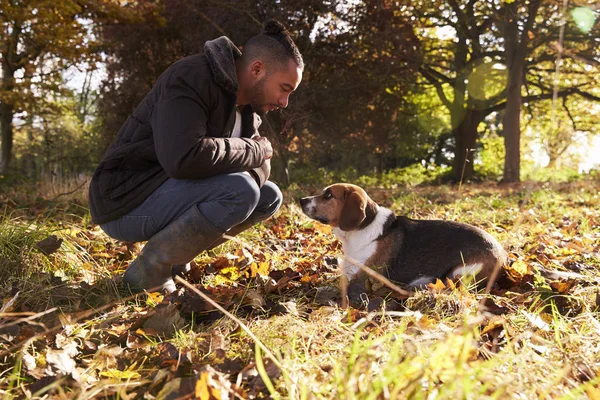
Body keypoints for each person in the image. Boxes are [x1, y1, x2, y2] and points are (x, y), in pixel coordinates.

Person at [88, 20, 304, 293]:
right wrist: (256, 150)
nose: (285, 102)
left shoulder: (249, 110)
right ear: (257, 69)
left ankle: (176, 259)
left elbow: (263, 169)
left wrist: (249, 156)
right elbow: (184, 158)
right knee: (241, 190)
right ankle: (150, 270)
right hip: (123, 201)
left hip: (165, 198)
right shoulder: (192, 77)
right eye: (285, 89)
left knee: (268, 196)